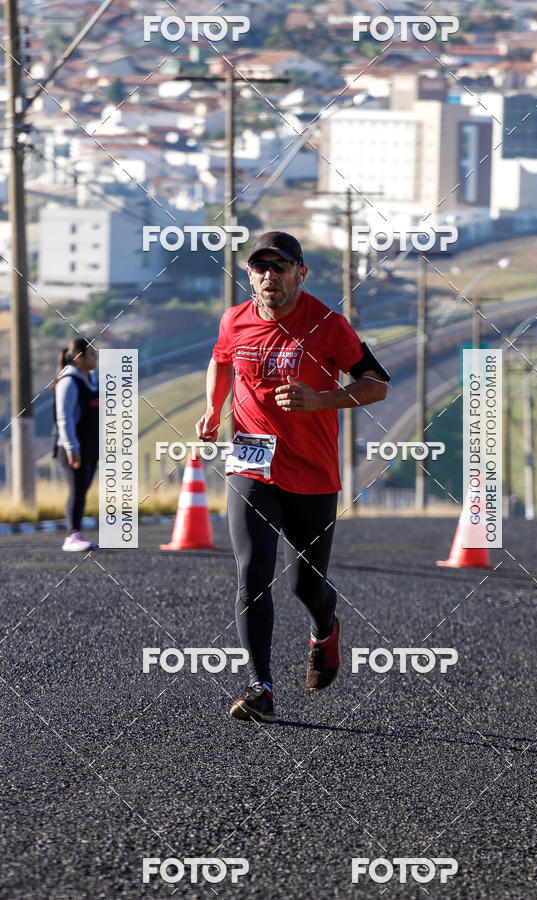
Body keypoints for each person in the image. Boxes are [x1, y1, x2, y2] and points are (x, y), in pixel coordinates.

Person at [195, 231, 390, 723]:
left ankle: (325, 627)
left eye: (279, 267)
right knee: (252, 572)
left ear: (300, 273)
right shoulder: (234, 320)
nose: (269, 276)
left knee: (307, 584)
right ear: (249, 275)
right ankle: (261, 687)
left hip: (313, 472)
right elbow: (220, 361)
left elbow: (377, 385)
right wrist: (213, 410)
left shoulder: (328, 324)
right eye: (259, 267)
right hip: (251, 463)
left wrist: (322, 400)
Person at [52, 337, 99, 552]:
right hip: (73, 448)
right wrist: (72, 448)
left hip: (90, 446)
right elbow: (65, 416)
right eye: (92, 354)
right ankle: (73, 536)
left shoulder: (92, 379)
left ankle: (77, 534)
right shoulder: (69, 381)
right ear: (79, 357)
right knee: (77, 489)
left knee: (83, 489)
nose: (95, 357)